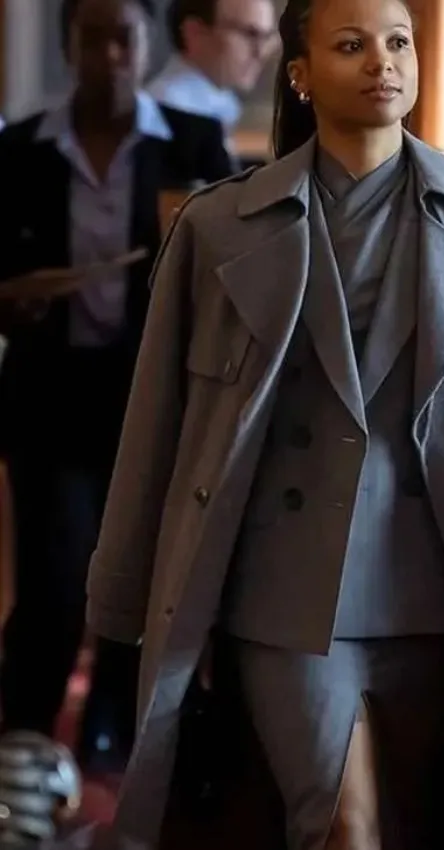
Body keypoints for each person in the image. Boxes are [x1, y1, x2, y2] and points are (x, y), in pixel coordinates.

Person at [86, 0, 444, 847]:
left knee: (431, 824)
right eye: (351, 46)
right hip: (286, 593)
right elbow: (158, 426)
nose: (382, 62)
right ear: (300, 75)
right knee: (343, 828)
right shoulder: (217, 226)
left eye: (398, 43)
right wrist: (123, 590)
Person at [0, 0, 231, 773]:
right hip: (48, 397)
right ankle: (25, 741)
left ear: (146, 43)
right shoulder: (21, 151)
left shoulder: (192, 144)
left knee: (140, 570)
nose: (108, 56)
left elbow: (230, 270)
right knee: (56, 577)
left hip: (151, 397)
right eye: (91, 38)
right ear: (69, 45)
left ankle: (114, 736)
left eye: (122, 38)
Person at [147, 0, 278, 140]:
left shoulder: (223, 102)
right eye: (250, 34)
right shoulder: (168, 111)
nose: (261, 52)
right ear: (194, 32)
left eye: (267, 37)